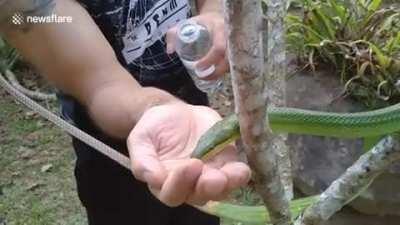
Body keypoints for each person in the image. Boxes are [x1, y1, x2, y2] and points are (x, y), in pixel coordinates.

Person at [0, 0, 251, 224]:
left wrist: (215, 13)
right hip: (116, 154)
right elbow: (101, 82)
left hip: (195, 124)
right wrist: (153, 108)